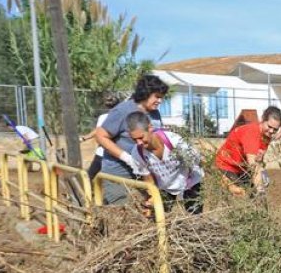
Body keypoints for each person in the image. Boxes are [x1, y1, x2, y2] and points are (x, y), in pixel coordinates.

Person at [93, 74, 170, 204]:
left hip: (146, 174)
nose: (160, 101)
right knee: (123, 214)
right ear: (145, 94)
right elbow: (100, 136)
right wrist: (126, 158)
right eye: (156, 97)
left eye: (161, 97)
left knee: (149, 212)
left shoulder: (155, 114)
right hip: (119, 174)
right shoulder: (122, 111)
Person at [124, 112, 204, 214]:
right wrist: (152, 197)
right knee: (160, 219)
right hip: (165, 187)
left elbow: (196, 162)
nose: (139, 143)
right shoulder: (137, 153)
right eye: (134, 139)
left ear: (150, 128)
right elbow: (148, 178)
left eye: (141, 137)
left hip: (189, 182)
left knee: (195, 218)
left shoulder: (174, 141)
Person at [215, 106, 281, 196]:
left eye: (275, 129)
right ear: (263, 120)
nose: (271, 131)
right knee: (241, 194)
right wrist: (260, 189)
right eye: (269, 126)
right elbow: (253, 166)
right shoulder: (252, 133)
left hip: (242, 168)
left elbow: (258, 161)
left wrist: (262, 173)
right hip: (226, 166)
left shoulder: (266, 136)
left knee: (254, 197)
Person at [84, 93, 124, 180]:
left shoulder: (103, 117)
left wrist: (85, 138)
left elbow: (98, 131)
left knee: (90, 176)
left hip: (102, 152)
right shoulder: (123, 116)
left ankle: (87, 192)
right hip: (117, 152)